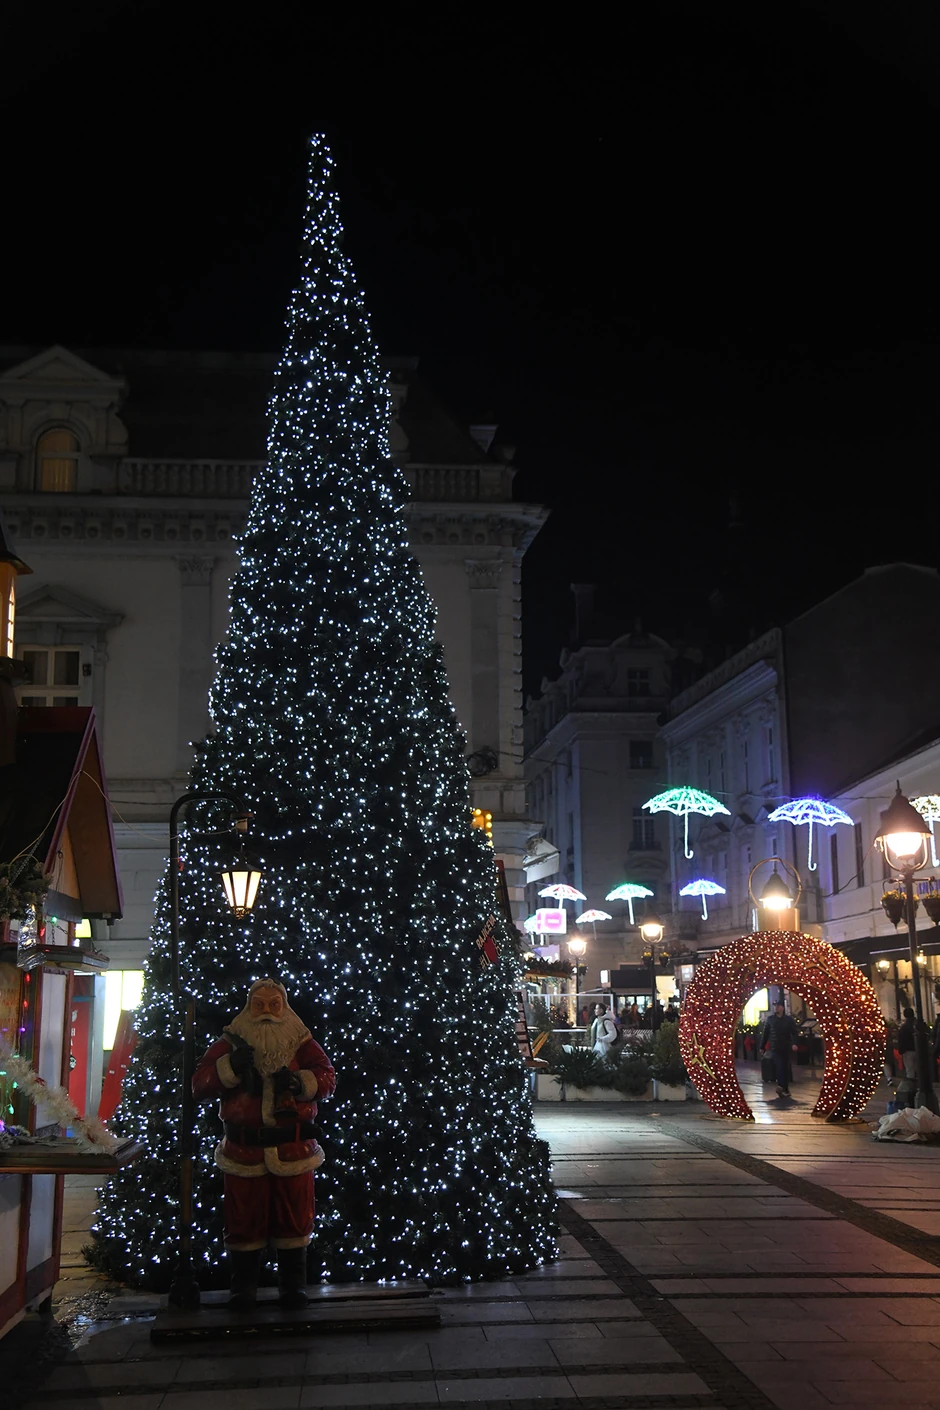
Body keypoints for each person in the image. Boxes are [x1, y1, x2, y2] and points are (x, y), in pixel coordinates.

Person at [193, 977, 335, 1309]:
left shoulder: (301, 1042)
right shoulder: (231, 1042)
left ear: (285, 1008)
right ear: (249, 1007)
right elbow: (199, 1084)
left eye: (274, 1005)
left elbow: (327, 1076)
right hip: (244, 1151)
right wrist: (228, 1068)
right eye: (259, 1006)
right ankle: (243, 1288)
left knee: (294, 1218)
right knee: (244, 1219)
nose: (267, 1013)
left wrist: (300, 1083)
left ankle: (293, 1286)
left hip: (293, 1150)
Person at [760, 999, 800, 1096]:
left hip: (786, 1047)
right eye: (775, 1006)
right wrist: (762, 1046)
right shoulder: (770, 1020)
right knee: (779, 1066)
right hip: (775, 1047)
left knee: (785, 1067)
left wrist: (794, 1043)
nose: (776, 1008)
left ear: (782, 1007)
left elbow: (794, 1033)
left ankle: (785, 1089)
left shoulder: (788, 1020)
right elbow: (766, 1034)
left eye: (778, 1006)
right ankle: (781, 1086)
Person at [898, 1006, 917, 1080]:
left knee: (910, 1070)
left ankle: (911, 1084)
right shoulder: (918, 1024)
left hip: (908, 1050)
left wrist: (901, 1050)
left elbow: (902, 1039)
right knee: (918, 1068)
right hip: (918, 1049)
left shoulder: (904, 1027)